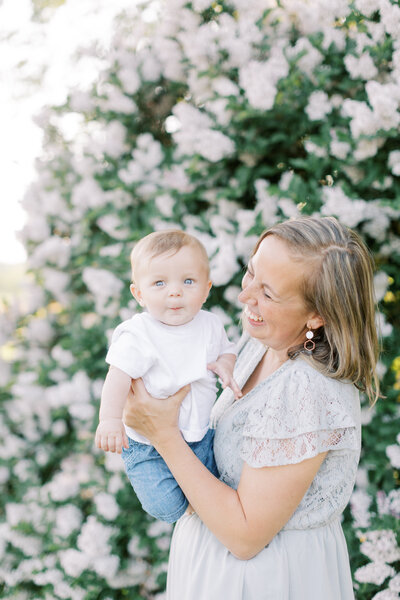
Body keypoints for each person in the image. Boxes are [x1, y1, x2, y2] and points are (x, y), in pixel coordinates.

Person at [122, 216, 380, 599]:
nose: (245, 296)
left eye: (269, 293)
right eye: (250, 273)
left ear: (317, 315)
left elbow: (245, 536)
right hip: (214, 565)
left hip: (266, 580)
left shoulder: (305, 390)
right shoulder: (261, 342)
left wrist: (163, 435)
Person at [95, 229, 240, 523]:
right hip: (146, 442)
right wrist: (109, 420)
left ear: (207, 287)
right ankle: (184, 511)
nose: (175, 292)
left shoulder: (209, 324)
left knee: (213, 490)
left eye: (188, 281)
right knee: (165, 505)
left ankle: (204, 516)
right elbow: (118, 377)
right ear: (139, 293)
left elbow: (227, 350)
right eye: (159, 283)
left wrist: (225, 364)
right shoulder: (140, 333)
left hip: (199, 433)